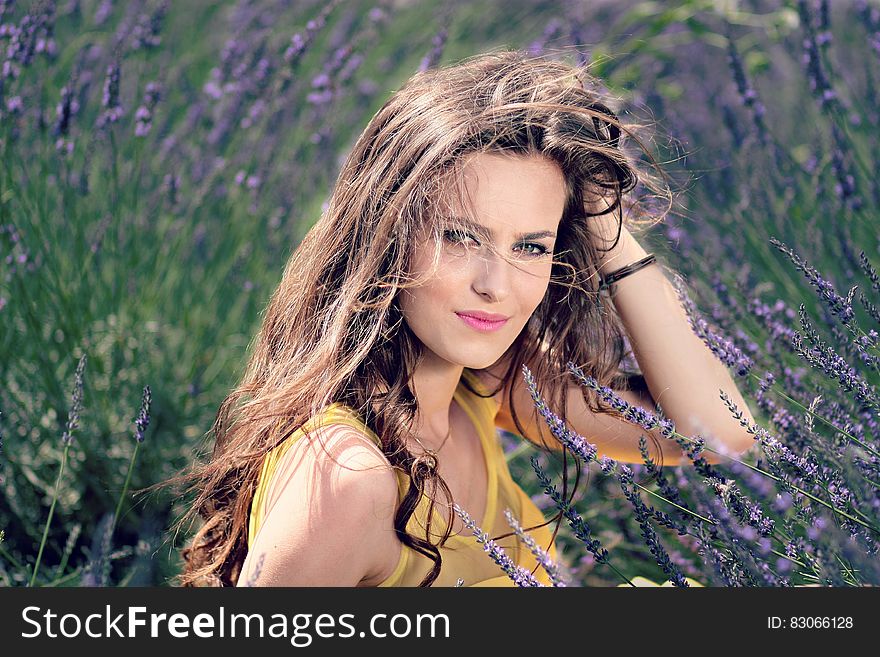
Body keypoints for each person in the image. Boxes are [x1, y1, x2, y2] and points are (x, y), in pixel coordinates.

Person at [168, 49, 756, 587]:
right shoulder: (348, 480)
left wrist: (607, 226)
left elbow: (719, 438)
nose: (495, 287)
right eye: (460, 237)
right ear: (385, 233)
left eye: (531, 246)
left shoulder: (485, 390)